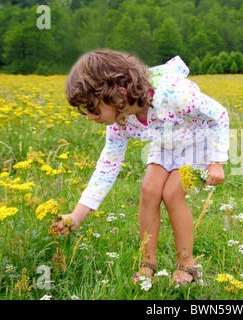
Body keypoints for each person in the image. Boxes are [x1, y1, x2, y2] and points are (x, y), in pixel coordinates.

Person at [52, 49, 230, 283]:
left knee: (172, 194)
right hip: (166, 144)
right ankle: (147, 262)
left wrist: (216, 162)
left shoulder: (173, 94)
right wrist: (77, 214)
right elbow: (107, 166)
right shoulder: (120, 121)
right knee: (149, 191)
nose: (89, 117)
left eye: (92, 109)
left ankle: (187, 266)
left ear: (118, 93)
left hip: (197, 141)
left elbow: (218, 114)